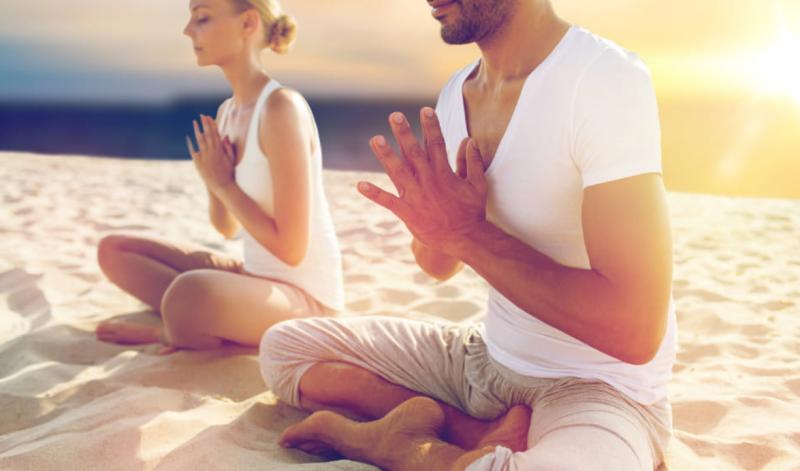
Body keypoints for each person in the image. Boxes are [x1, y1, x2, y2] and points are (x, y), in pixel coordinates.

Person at [259, 0, 676, 469]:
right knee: (285, 350)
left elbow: (636, 329)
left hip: (594, 386)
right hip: (484, 362)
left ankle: (392, 445)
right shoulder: (457, 93)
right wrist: (432, 221)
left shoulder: (602, 78)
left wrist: (467, 234)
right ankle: (473, 434)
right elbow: (437, 264)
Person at [95, 0, 343, 353]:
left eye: (202, 17)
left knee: (189, 292)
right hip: (254, 278)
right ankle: (197, 315)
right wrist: (214, 182)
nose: (187, 30)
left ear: (248, 23)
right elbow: (226, 228)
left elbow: (291, 249)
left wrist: (224, 183)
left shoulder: (281, 108)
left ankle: (168, 331)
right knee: (115, 250)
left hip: (306, 299)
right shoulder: (227, 112)